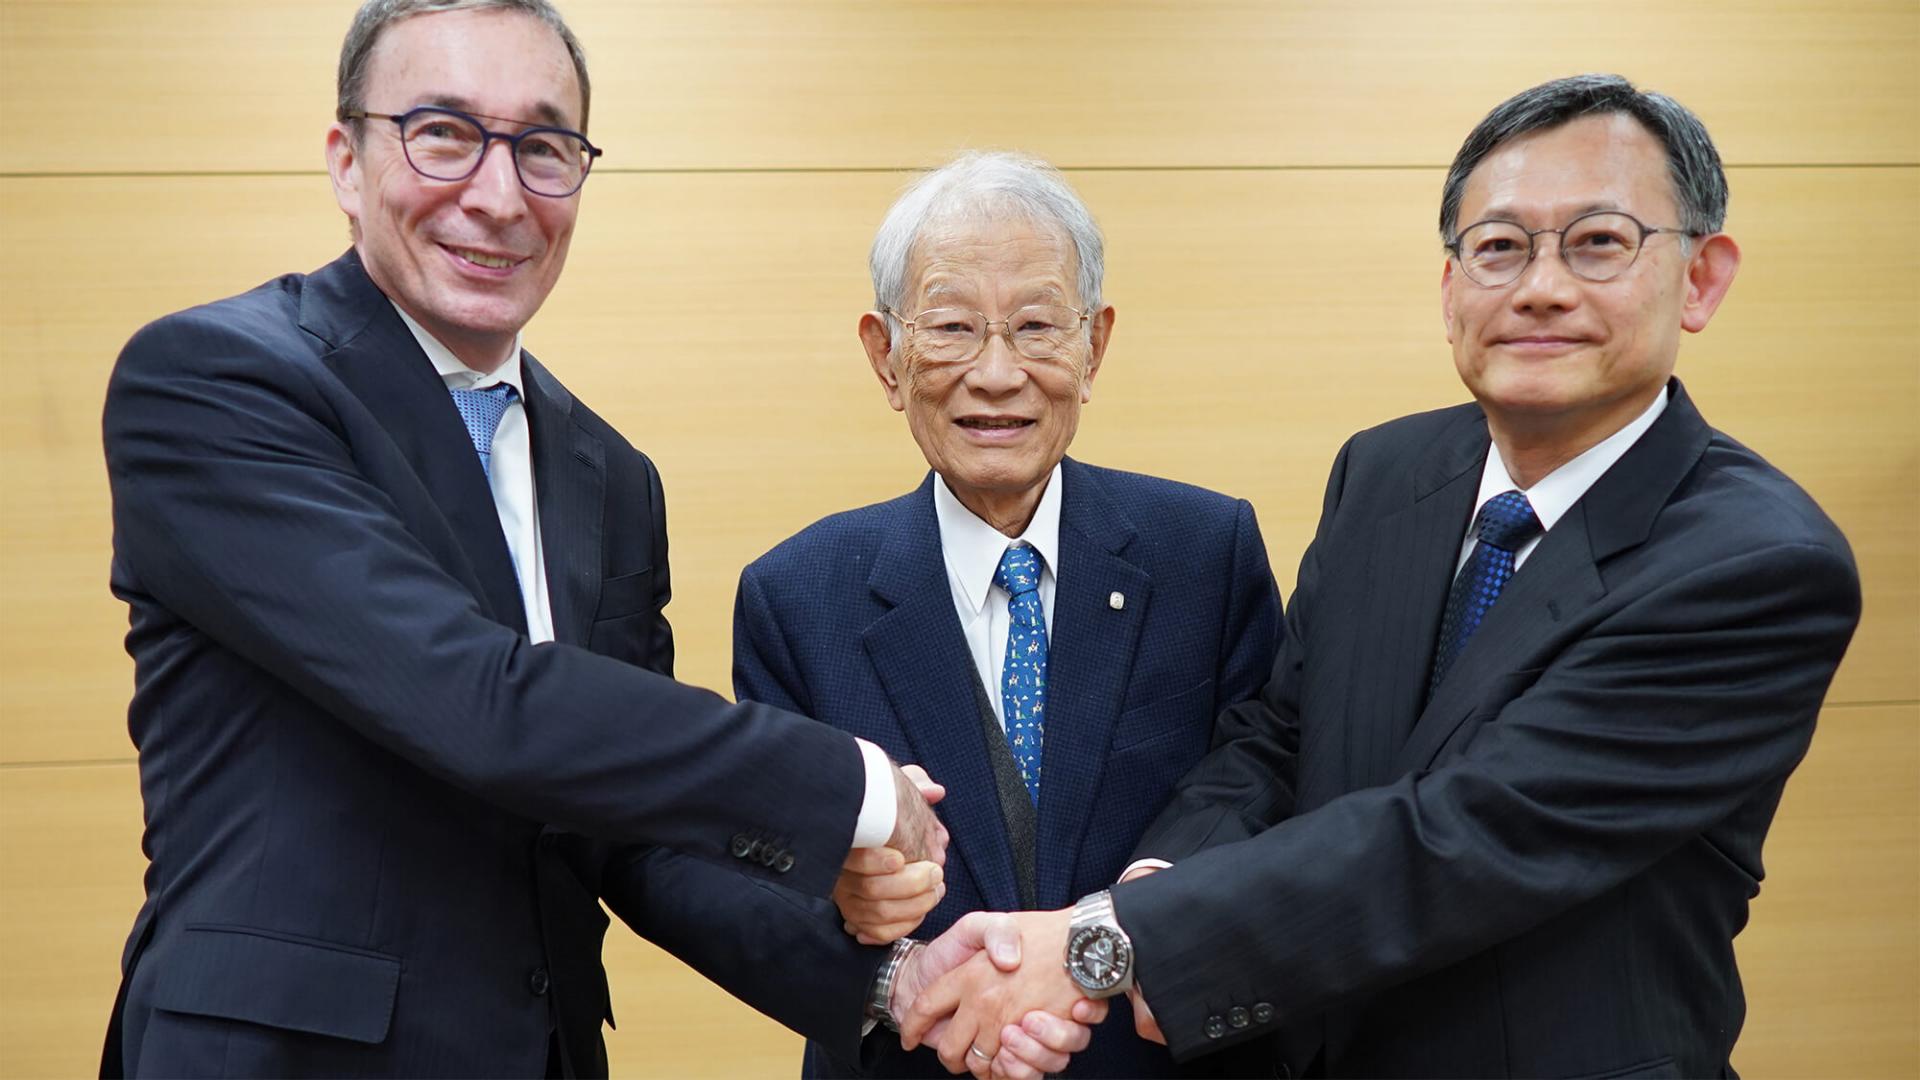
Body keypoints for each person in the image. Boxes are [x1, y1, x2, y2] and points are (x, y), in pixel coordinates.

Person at [900, 74, 1863, 1080]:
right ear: (1452, 288)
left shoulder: (1754, 564)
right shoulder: (1387, 473)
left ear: (1702, 278)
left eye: (1598, 242)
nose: (1540, 285)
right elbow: (1279, 737)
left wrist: (1115, 935)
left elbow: (1467, 836)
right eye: (1499, 247)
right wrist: (1165, 869)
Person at [97, 1, 956, 1074]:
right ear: (347, 160)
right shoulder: (217, 384)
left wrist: (883, 980)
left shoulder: (612, 477)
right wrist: (849, 787)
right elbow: (476, 701)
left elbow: (624, 826)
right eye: (444, 133)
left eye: (544, 147)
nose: (499, 196)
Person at [732, 151, 1284, 1077]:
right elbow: (763, 880)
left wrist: (1110, 943)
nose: (996, 374)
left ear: (1094, 346)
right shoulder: (796, 595)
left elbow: (1260, 786)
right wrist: (894, 968)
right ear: (886, 355)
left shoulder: (1207, 552)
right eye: (951, 327)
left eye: (1036, 326)